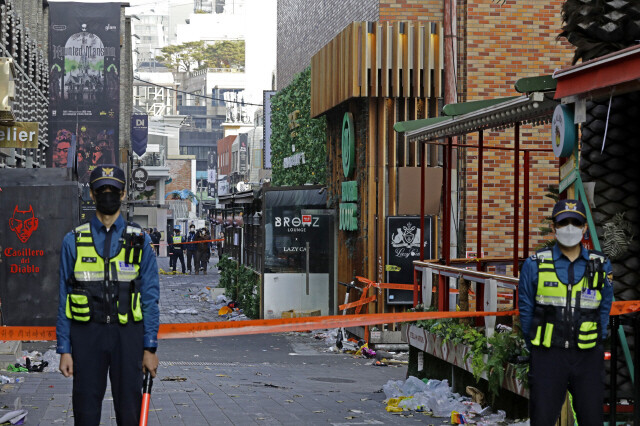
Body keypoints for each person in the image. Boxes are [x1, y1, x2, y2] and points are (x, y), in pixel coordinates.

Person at [56, 165, 159, 426]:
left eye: (114, 190)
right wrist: (64, 349)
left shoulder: (140, 241)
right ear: (92, 194)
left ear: (123, 195)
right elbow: (63, 298)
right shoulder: (73, 241)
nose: (108, 195)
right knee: (85, 413)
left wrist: (150, 347)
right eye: (102, 190)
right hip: (87, 336)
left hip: (128, 337)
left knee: (129, 413)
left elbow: (149, 297)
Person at [518, 199, 613, 426]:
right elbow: (526, 309)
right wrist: (535, 346)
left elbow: (605, 306)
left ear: (584, 228)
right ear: (554, 227)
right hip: (548, 356)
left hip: (587, 355)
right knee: (542, 420)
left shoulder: (600, 264)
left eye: (575, 222)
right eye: (564, 223)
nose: (569, 228)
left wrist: (597, 340)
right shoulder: (535, 264)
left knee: (591, 420)